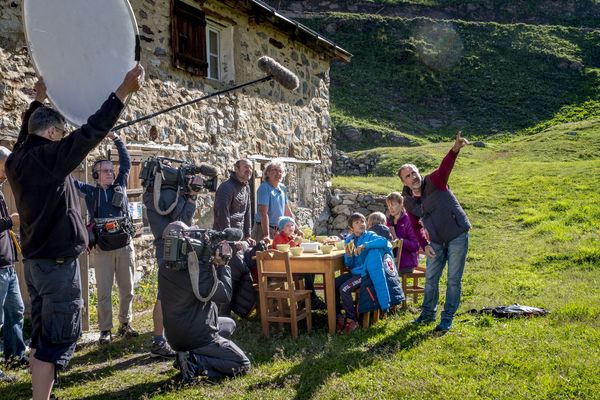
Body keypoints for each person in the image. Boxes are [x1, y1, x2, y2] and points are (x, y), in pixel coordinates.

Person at [6, 66, 143, 400]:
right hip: (56, 268)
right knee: (54, 342)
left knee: (42, 336)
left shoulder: (17, 158)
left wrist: (36, 101)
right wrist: (122, 92)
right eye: (61, 132)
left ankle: (45, 393)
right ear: (53, 134)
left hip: (38, 265)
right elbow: (91, 133)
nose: (63, 137)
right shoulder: (49, 159)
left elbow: (26, 134)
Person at [398, 132, 471, 332]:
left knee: (453, 280)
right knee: (431, 278)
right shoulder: (409, 201)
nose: (413, 177)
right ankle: (427, 314)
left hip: (457, 235)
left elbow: (446, 166)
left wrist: (455, 148)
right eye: (408, 175)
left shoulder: (435, 181)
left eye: (414, 172)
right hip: (436, 242)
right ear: (403, 182)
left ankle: (447, 318)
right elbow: (415, 226)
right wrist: (425, 245)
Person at [159, 222, 251, 382]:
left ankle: (186, 356)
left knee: (229, 324)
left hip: (174, 336)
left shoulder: (165, 266)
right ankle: (196, 363)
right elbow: (224, 295)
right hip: (198, 335)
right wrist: (223, 264)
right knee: (243, 364)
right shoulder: (197, 269)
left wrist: (209, 262)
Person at [74, 132, 138, 344]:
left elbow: (126, 163)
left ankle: (125, 324)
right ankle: (105, 330)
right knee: (103, 292)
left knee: (127, 288)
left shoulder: (120, 184)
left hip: (125, 246)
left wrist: (117, 140)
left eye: (111, 170)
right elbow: (69, 181)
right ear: (95, 175)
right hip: (102, 249)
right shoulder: (91, 192)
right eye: (105, 171)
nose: (111, 173)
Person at [142, 160, 198, 358]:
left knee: (165, 293)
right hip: (172, 247)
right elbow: (182, 221)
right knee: (163, 295)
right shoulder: (168, 195)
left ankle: (162, 338)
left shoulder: (151, 193)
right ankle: (159, 341)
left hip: (163, 246)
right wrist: (191, 199)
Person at [335, 213, 393, 334]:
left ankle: (352, 319)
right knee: (333, 284)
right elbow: (348, 264)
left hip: (365, 274)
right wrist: (349, 255)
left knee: (344, 288)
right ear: (351, 228)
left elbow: (383, 242)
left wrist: (365, 245)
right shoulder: (349, 240)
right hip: (355, 272)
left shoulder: (370, 235)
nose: (361, 224)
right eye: (357, 222)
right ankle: (338, 316)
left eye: (362, 221)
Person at [213, 158, 257, 318]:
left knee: (241, 272)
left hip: (239, 240)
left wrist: (248, 235)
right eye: (245, 167)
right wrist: (230, 240)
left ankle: (235, 309)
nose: (249, 171)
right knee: (230, 274)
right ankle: (221, 314)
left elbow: (246, 214)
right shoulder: (226, 187)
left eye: (251, 168)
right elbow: (221, 214)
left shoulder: (246, 189)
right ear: (236, 169)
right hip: (224, 240)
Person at [0, 146, 27, 382]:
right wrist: (11, 221)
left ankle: (15, 355)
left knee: (16, 311)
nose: (9, 170)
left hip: (7, 267)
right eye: (6, 165)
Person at [271, 216, 327, 310]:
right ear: (282, 228)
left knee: (311, 270)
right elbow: (282, 251)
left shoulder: (292, 237)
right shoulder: (278, 238)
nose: (291, 227)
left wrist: (302, 243)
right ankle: (312, 299)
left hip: (292, 267)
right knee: (307, 271)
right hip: (282, 269)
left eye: (292, 225)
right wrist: (294, 242)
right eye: (287, 226)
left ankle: (310, 299)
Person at [251, 160, 302, 242]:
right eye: (274, 170)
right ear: (267, 173)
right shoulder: (264, 188)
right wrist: (266, 235)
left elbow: (287, 211)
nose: (277, 173)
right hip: (263, 229)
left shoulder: (282, 188)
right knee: (264, 254)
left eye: (280, 171)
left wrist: (296, 229)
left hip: (279, 230)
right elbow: (263, 213)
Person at [385, 192, 420, 274]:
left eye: (393, 205)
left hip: (406, 264)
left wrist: (397, 238)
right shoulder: (388, 221)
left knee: (380, 273)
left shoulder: (409, 221)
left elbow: (415, 246)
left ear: (401, 204)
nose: (391, 208)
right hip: (390, 262)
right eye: (389, 205)